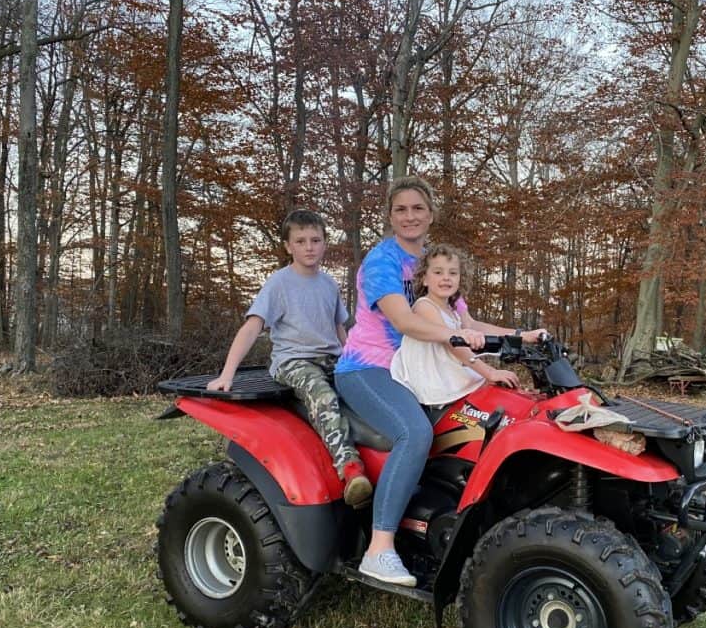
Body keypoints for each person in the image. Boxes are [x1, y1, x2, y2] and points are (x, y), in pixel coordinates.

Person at [335, 176, 496, 586]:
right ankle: (379, 549)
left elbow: (466, 322)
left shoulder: (433, 263)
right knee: (415, 432)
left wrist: (524, 335)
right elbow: (405, 321)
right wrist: (458, 337)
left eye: (418, 208)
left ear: (431, 214)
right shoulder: (382, 262)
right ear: (390, 217)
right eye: (401, 209)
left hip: (417, 369)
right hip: (369, 368)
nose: (410, 216)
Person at [206, 209, 372, 507]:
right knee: (322, 394)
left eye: (315, 240)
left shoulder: (329, 284)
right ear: (288, 246)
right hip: (293, 361)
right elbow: (253, 326)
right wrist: (227, 374)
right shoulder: (279, 283)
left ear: (324, 243)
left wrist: (355, 363)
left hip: (330, 358)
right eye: (300, 241)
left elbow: (339, 329)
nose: (309, 247)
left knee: (365, 389)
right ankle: (350, 469)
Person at [390, 243, 546, 405]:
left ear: (459, 278)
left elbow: (473, 326)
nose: (446, 277)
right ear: (424, 279)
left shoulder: (452, 309)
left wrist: (522, 335)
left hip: (448, 375)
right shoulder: (425, 306)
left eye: (453, 273)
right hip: (434, 383)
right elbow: (451, 343)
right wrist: (490, 372)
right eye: (438, 272)